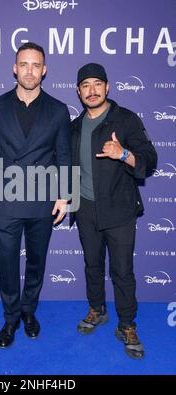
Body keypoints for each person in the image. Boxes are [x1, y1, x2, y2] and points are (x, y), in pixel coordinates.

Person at [0, 42, 71, 348]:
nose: (29, 71)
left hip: (42, 197)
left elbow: (63, 154)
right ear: (14, 68)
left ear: (43, 70)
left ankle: (29, 310)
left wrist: (64, 195)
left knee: (36, 260)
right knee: (7, 262)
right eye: (24, 64)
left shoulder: (58, 110)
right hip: (6, 198)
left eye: (36, 65)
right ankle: (10, 317)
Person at [70, 63, 157, 359]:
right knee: (92, 265)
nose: (92, 90)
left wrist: (123, 154)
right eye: (85, 85)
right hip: (85, 209)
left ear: (107, 87)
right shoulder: (75, 126)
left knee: (122, 271)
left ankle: (127, 324)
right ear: (79, 92)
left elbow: (150, 159)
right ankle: (97, 309)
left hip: (119, 211)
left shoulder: (126, 120)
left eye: (97, 84)